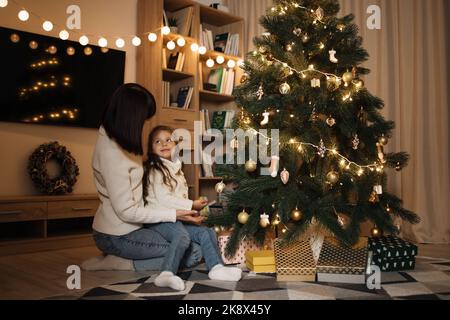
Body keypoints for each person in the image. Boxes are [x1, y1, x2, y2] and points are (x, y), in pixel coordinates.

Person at [82, 83, 203, 272]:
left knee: (189, 243)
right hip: (117, 234)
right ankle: (121, 263)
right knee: (193, 253)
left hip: (135, 227)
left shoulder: (119, 138)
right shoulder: (111, 153)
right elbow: (127, 212)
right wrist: (175, 214)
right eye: (143, 119)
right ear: (131, 117)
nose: (144, 124)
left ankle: (123, 257)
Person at [142, 126, 242, 291]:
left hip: (177, 216)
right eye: (158, 141)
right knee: (181, 236)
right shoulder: (155, 169)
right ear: (151, 148)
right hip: (161, 218)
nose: (164, 144)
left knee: (206, 231)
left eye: (168, 140)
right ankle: (166, 273)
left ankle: (216, 268)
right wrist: (191, 205)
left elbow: (178, 199)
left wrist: (193, 209)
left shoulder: (176, 169)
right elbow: (164, 199)